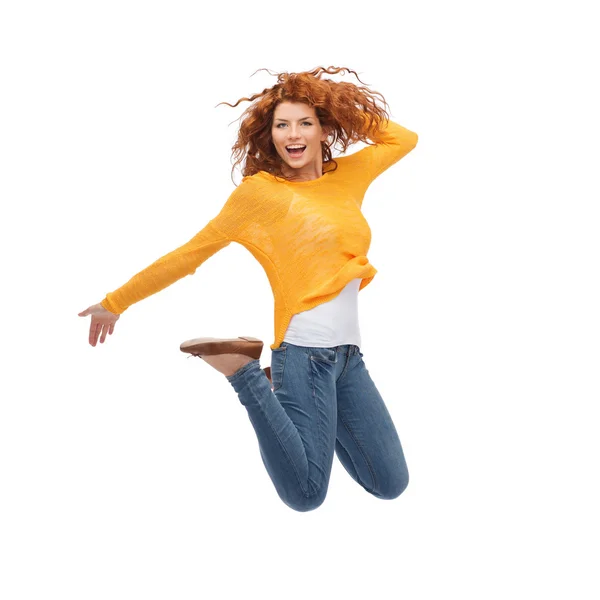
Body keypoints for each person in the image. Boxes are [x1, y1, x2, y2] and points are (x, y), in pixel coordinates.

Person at [78, 66, 418, 512]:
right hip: (303, 354)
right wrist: (115, 303)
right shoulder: (260, 195)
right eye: (281, 125)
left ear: (323, 129)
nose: (291, 134)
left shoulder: (348, 177)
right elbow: (190, 253)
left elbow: (403, 139)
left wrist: (335, 101)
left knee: (390, 482)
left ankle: (284, 395)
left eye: (304, 122)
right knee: (305, 494)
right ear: (269, 134)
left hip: (349, 359)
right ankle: (242, 371)